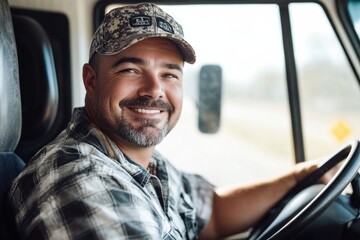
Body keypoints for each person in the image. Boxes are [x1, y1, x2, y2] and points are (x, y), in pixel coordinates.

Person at [7, 2, 333, 239]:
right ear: (91, 81)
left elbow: (213, 213)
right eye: (131, 70)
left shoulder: (136, 162)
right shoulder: (80, 181)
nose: (154, 91)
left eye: (169, 74)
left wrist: (302, 176)